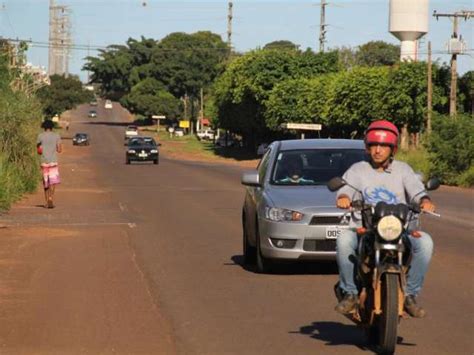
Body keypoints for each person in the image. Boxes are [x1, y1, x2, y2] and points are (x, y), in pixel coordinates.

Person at [334, 120, 436, 318]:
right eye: (374, 145)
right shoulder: (358, 170)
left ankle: (410, 295)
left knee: (425, 243)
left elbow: (416, 191)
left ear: (393, 149)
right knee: (344, 240)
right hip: (365, 228)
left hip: (399, 229)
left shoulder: (403, 170)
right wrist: (344, 198)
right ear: (367, 147)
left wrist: (424, 200)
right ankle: (350, 293)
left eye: (383, 146)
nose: (378, 150)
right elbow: (345, 189)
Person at [37, 119, 62, 208]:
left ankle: (47, 201)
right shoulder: (56, 136)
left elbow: (39, 151)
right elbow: (59, 150)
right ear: (52, 127)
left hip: (44, 162)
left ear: (44, 127)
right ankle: (51, 198)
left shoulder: (40, 136)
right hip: (53, 162)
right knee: (53, 181)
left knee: (45, 182)